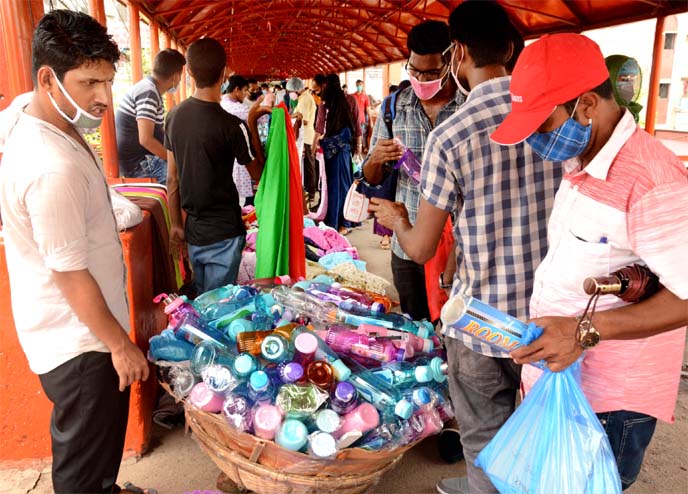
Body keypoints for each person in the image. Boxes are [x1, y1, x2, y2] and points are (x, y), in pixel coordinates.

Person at [369, 2, 562, 493]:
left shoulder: (453, 133)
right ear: (512, 50)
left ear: (457, 55)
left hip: (482, 322)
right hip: (551, 316)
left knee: (484, 439)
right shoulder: (555, 118)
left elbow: (419, 248)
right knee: (543, 432)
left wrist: (399, 218)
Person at [491, 33, 688, 491]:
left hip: (610, 399)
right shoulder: (582, 159)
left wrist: (582, 331)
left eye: (541, 124)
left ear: (585, 105)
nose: (535, 140)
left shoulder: (652, 181)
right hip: (560, 374)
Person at [0, 10, 151, 494]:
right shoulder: (49, 167)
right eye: (89, 82)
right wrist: (120, 345)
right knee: (81, 463)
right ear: (48, 78)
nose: (104, 98)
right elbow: (68, 274)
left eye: (107, 81)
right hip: (81, 340)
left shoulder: (40, 115)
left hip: (85, 331)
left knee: (98, 441)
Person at [363, 20, 462, 321]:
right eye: (414, 71)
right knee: (415, 327)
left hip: (456, 247)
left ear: (451, 61)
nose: (421, 79)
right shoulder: (395, 108)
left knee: (453, 326)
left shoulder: (467, 106)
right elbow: (371, 178)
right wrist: (376, 158)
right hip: (406, 244)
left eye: (431, 73)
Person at [165, 38, 268, 295]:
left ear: (188, 72)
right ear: (225, 74)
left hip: (193, 231)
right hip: (225, 232)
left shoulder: (174, 116)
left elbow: (172, 179)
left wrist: (176, 225)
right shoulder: (233, 125)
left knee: (202, 298)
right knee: (218, 308)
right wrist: (253, 120)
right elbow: (259, 175)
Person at [115, 48, 185, 185]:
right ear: (175, 77)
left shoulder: (148, 88)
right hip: (139, 164)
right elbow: (146, 139)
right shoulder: (149, 92)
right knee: (185, 176)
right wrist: (174, 160)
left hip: (139, 160)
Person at [318, 74, 357, 235]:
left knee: (331, 186)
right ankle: (345, 222)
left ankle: (332, 221)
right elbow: (356, 124)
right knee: (345, 185)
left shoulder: (325, 100)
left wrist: (316, 144)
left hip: (330, 148)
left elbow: (319, 126)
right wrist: (359, 145)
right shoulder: (349, 100)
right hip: (344, 146)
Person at [221, 74, 256, 207]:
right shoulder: (231, 107)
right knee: (241, 197)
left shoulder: (226, 103)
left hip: (231, 157)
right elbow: (254, 115)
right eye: (245, 90)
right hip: (235, 156)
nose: (246, 94)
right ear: (236, 90)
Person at [289, 77, 318, 206]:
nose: (290, 94)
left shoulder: (305, 99)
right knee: (306, 164)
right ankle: (309, 191)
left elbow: (304, 120)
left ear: (296, 89)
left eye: (291, 90)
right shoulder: (302, 99)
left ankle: (311, 192)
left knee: (308, 165)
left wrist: (291, 116)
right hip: (303, 136)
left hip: (306, 137)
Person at [353, 79, 372, 154]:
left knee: (362, 134)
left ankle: (361, 149)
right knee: (354, 135)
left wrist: (370, 120)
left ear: (363, 86)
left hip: (362, 119)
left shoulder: (365, 97)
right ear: (356, 85)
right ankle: (356, 149)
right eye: (358, 85)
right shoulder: (352, 96)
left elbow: (368, 109)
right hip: (353, 120)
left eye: (360, 85)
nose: (359, 86)